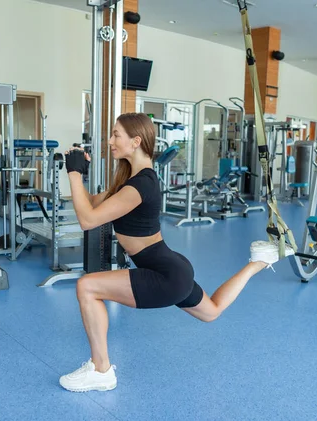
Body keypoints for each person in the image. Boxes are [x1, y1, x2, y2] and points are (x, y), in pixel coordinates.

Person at [59, 112, 294, 393]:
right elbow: (89, 204)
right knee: (211, 312)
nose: (110, 141)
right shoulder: (130, 181)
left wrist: (73, 173)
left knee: (87, 287)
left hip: (164, 274)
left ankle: (101, 370)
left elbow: (87, 220)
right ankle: (258, 262)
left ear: (135, 141)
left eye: (115, 135)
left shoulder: (140, 185)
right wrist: (78, 175)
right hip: (172, 267)